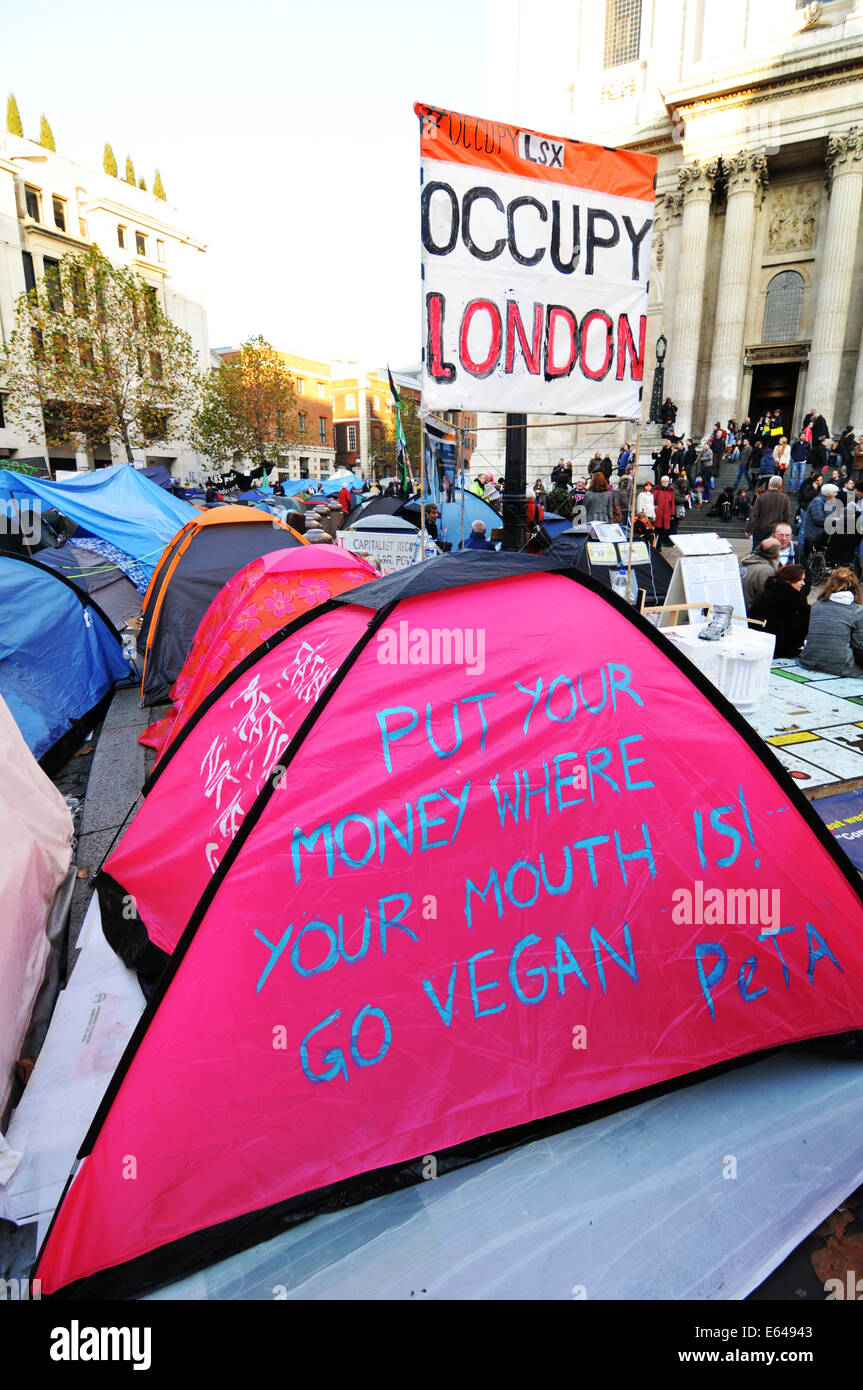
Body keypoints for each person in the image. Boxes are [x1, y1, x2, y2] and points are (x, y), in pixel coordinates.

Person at [800, 568, 863, 675]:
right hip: (841, 667)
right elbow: (859, 645)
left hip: (809, 660)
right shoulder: (857, 611)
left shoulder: (816, 606)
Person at [748, 564, 810, 657]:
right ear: (789, 580)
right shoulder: (789, 597)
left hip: (762, 641)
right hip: (776, 646)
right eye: (800, 580)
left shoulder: (773, 590)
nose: (803, 583)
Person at [748, 475, 791, 547]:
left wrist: (749, 528)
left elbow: (754, 514)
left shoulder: (761, 497)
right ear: (780, 485)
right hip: (776, 529)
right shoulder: (785, 498)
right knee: (773, 551)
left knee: (757, 550)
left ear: (769, 484)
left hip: (760, 528)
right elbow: (786, 515)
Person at [741, 538, 781, 610]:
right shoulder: (765, 570)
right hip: (752, 613)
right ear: (775, 553)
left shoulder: (745, 562)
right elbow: (764, 596)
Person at [653, 475, 676, 550]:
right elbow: (654, 502)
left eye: (667, 481)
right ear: (661, 482)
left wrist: (672, 513)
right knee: (656, 530)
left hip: (666, 514)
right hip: (658, 513)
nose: (665, 483)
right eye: (664, 481)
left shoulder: (670, 492)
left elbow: (672, 503)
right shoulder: (657, 491)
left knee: (663, 531)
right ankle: (654, 545)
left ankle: (659, 546)